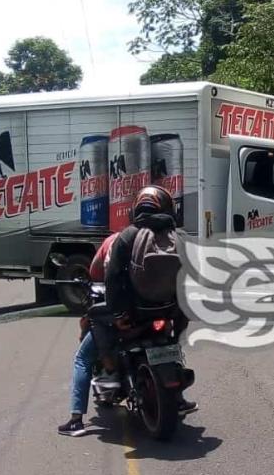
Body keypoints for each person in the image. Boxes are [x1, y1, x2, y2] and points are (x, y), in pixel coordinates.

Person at [96, 185, 196, 414]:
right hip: (170, 310)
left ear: (137, 208)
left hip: (136, 312)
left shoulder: (127, 236)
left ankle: (110, 371)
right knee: (175, 340)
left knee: (99, 320)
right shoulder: (180, 236)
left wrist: (118, 312)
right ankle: (177, 375)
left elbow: (111, 276)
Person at [58, 232, 117, 437]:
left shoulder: (112, 241)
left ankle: (76, 420)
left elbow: (94, 271)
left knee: (82, 359)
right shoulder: (154, 239)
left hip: (118, 313)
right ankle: (179, 400)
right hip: (153, 309)